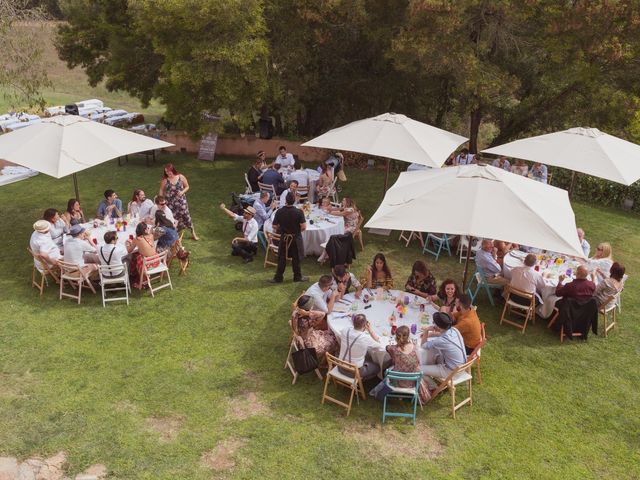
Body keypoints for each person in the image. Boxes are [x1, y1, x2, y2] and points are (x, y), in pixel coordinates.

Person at [419, 312, 467, 388]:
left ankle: (433, 386)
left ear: (438, 327)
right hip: (462, 366)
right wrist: (431, 334)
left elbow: (423, 345)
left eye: (434, 322)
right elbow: (442, 334)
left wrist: (427, 330)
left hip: (451, 372)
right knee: (436, 351)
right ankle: (431, 369)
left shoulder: (442, 341)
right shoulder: (454, 330)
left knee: (418, 369)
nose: (433, 323)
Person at [386, 325, 431, 404]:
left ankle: (397, 394)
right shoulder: (415, 347)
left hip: (397, 381)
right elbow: (419, 362)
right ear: (408, 336)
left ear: (396, 337)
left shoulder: (393, 349)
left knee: (388, 368)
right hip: (412, 381)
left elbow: (387, 347)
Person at [270, 192, 307, 283]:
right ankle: (297, 277)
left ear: (286, 200)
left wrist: (282, 229)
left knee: (282, 258)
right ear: (294, 200)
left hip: (284, 238)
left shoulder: (280, 211)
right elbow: (303, 227)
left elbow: (274, 226)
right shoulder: (299, 212)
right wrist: (296, 231)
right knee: (296, 258)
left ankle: (278, 277)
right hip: (295, 238)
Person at [290, 295, 338, 362]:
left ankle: (326, 360)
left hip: (301, 337)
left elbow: (295, 328)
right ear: (308, 308)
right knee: (334, 340)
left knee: (330, 334)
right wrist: (307, 313)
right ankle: (324, 362)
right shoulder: (307, 320)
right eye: (312, 305)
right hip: (307, 343)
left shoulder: (295, 313)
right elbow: (323, 314)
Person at [159, 163, 198, 240]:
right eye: (166, 172)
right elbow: (161, 189)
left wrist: (182, 192)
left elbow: (187, 186)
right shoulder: (165, 180)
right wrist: (161, 199)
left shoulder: (180, 177)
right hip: (170, 203)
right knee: (174, 218)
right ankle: (175, 235)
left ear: (172, 170)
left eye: (169, 171)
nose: (168, 173)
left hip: (181, 201)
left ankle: (193, 234)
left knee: (187, 216)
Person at [337, 313, 381, 380]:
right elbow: (379, 344)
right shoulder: (365, 338)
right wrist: (370, 330)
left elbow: (349, 330)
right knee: (377, 367)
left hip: (340, 366)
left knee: (363, 355)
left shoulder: (345, 330)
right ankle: (361, 379)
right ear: (365, 325)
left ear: (353, 323)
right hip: (354, 372)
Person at [130, 222, 158, 288]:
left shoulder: (137, 239)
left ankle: (144, 282)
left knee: (138, 258)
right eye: (147, 228)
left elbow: (129, 250)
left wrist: (127, 243)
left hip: (148, 264)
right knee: (137, 256)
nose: (148, 229)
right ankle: (136, 275)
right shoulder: (151, 235)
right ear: (145, 230)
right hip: (156, 261)